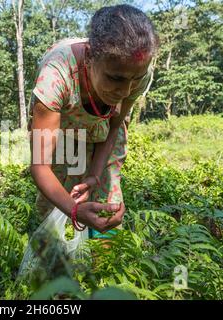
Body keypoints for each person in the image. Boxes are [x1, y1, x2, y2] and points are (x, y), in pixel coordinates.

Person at [28, 5, 159, 240]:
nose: (125, 91)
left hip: (105, 130)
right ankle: (55, 262)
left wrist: (95, 176)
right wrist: (74, 209)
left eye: (135, 80)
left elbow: (115, 125)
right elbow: (40, 166)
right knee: (56, 200)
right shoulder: (56, 76)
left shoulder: (137, 69)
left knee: (109, 202)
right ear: (89, 56)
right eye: (115, 78)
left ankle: (101, 268)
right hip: (64, 132)